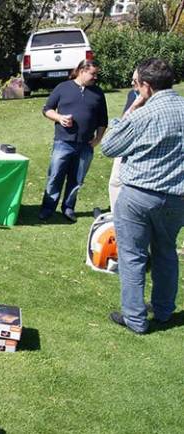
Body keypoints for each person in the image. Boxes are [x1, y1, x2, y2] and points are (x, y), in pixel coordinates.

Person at [101, 58, 184, 334]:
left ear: (146, 86)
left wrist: (133, 106)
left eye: (137, 85)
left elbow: (109, 146)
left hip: (138, 196)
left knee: (132, 256)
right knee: (166, 253)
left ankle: (135, 319)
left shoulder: (142, 114)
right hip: (176, 198)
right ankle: (163, 311)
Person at [38, 59, 108, 222]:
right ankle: (48, 208)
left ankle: (68, 208)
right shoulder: (63, 88)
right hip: (63, 142)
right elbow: (47, 109)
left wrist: (98, 139)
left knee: (77, 179)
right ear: (82, 71)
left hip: (86, 145)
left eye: (96, 74)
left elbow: (103, 120)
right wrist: (59, 118)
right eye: (93, 74)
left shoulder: (98, 93)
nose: (95, 77)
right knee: (55, 176)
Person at [107, 68, 141, 211]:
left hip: (138, 148)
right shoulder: (132, 94)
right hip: (125, 144)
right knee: (115, 181)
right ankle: (116, 214)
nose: (132, 83)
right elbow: (124, 121)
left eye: (135, 80)